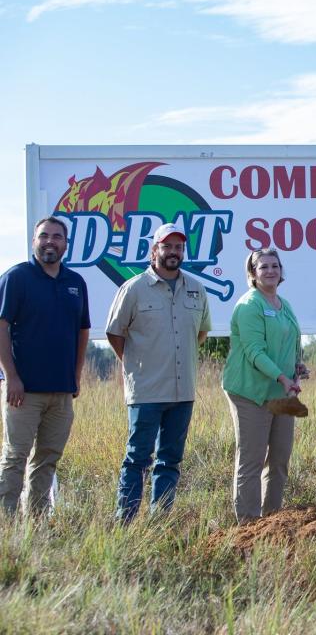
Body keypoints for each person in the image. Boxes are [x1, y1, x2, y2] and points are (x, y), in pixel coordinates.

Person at [106, 222, 211, 522]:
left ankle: (159, 522)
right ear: (154, 251)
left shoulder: (196, 289)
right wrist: (137, 364)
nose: (173, 252)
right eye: (167, 246)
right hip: (146, 391)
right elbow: (115, 333)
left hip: (183, 391)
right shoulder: (134, 288)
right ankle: (124, 523)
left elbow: (200, 332)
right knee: (138, 459)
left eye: (179, 247)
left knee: (170, 460)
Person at [0, 217, 90, 516]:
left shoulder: (75, 283)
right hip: (22, 392)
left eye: (56, 237)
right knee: (15, 457)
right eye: (43, 236)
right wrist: (11, 377)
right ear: (34, 242)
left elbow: (82, 331)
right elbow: (1, 326)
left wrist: (75, 376)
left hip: (61, 392)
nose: (50, 241)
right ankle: (7, 527)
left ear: (66, 244)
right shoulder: (17, 277)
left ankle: (36, 525)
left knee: (48, 459)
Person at [222, 248, 305, 524]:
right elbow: (255, 351)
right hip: (249, 392)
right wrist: (282, 378)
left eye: (274, 265)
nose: (270, 271)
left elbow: (292, 342)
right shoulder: (249, 305)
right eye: (263, 267)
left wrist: (297, 367)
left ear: (281, 271)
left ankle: (272, 521)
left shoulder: (285, 304)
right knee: (252, 459)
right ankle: (247, 524)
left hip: (280, 394)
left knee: (280, 459)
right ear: (252, 274)